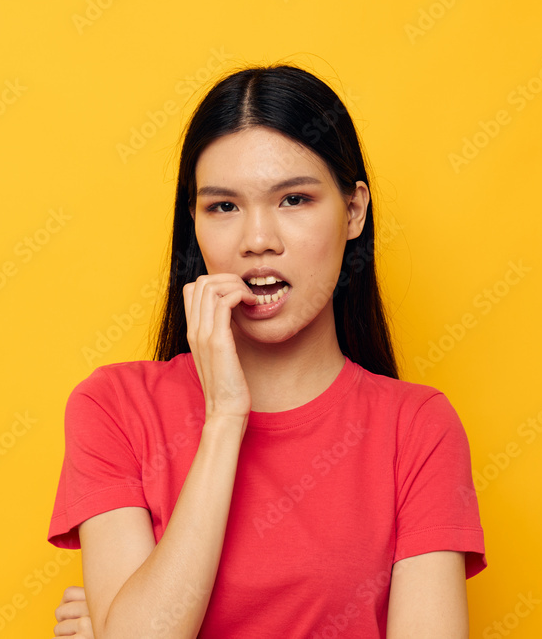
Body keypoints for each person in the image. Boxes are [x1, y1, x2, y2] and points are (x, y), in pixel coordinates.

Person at [46, 63, 486, 638]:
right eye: (223, 207)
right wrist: (225, 417)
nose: (258, 240)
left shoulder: (418, 428)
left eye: (294, 200)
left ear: (354, 211)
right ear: (195, 224)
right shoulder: (114, 408)